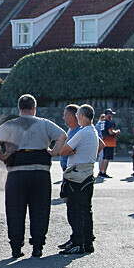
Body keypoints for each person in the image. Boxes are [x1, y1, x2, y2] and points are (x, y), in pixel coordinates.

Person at [0, 94, 67, 258]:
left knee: (15, 210)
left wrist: (3, 156)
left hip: (17, 171)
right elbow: (62, 136)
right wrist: (53, 152)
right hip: (40, 171)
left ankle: (16, 247)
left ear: (19, 108)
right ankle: (38, 246)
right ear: (34, 108)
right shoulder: (44, 123)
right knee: (40, 209)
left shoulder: (11, 125)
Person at [58, 104, 104, 255]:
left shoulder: (83, 132)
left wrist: (73, 151)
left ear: (83, 116)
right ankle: (87, 241)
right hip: (88, 173)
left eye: (78, 115)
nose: (77, 117)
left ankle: (78, 242)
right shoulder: (93, 131)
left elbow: (63, 151)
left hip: (77, 175)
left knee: (75, 209)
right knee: (86, 209)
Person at [98, 109, 120, 178]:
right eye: (111, 114)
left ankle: (101, 171)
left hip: (104, 141)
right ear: (108, 114)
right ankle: (103, 172)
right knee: (107, 158)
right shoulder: (108, 122)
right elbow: (111, 132)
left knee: (104, 157)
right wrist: (116, 132)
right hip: (109, 142)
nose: (112, 116)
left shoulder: (102, 122)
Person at [60, 104, 80, 172]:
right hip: (67, 169)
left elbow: (100, 144)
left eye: (65, 115)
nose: (63, 118)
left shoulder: (81, 131)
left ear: (71, 116)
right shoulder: (70, 129)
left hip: (74, 170)